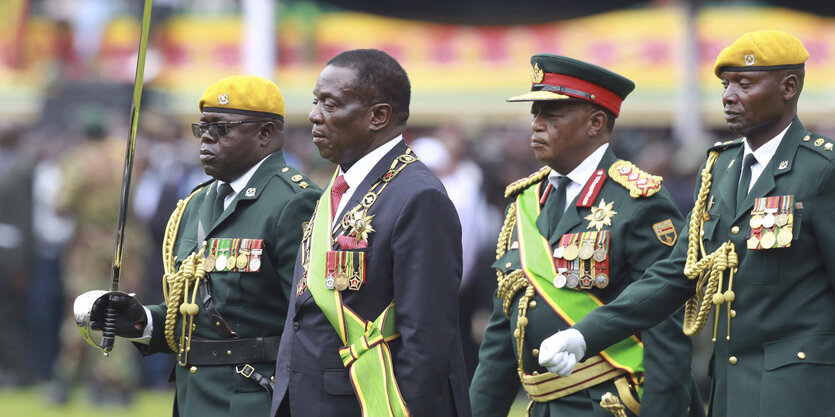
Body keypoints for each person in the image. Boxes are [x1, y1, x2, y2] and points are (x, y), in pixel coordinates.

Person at [537, 30, 835, 417]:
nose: (728, 96)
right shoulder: (720, 168)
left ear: (788, 87)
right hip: (729, 391)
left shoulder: (821, 171)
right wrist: (584, 335)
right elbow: (677, 273)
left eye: (745, 84)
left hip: (801, 394)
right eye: (726, 84)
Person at [469, 54, 702, 417]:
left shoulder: (638, 202)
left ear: (595, 123)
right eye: (535, 114)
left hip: (613, 404)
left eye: (552, 114)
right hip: (543, 406)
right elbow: (503, 334)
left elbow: (665, 331)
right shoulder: (525, 201)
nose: (536, 125)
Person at [80, 75, 321, 416]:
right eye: (202, 127)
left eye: (221, 128)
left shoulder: (293, 202)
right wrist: (144, 321)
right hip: (194, 397)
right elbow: (198, 311)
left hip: (254, 400)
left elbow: (309, 324)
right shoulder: (198, 202)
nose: (206, 137)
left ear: (266, 133)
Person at [269, 49, 472, 417]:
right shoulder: (341, 185)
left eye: (330, 105)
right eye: (316, 102)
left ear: (378, 116)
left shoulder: (417, 195)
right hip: (309, 398)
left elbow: (426, 339)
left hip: (370, 402)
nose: (314, 115)